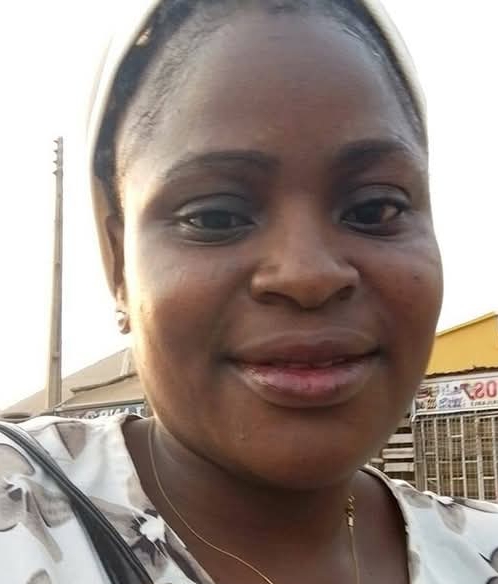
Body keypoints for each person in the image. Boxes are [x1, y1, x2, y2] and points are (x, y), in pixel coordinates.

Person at [2, 1, 497, 582]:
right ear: (118, 263)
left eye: (374, 209)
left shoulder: (480, 554)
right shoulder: (21, 522)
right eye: (214, 217)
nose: (308, 276)